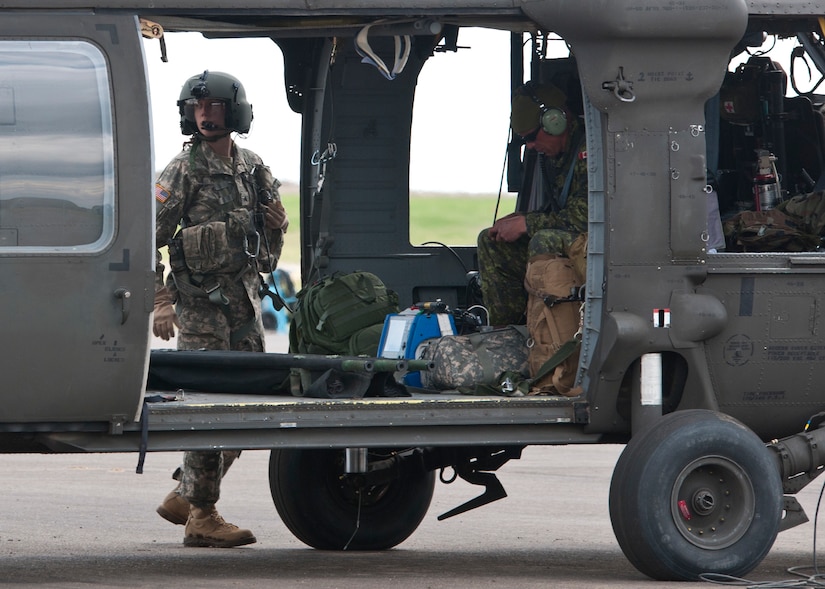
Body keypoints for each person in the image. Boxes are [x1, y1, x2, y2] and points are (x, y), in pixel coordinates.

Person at [152, 70, 289, 548]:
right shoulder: (181, 170)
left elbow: (267, 249)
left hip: (245, 306)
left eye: (214, 107)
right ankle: (202, 515)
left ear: (235, 113)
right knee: (210, 409)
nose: (205, 116)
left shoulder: (253, 167)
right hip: (200, 308)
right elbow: (148, 237)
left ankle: (185, 494)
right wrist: (161, 301)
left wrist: (275, 225)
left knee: (249, 412)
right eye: (197, 108)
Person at [477, 81, 588, 326]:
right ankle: (508, 331)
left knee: (543, 239)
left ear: (555, 121)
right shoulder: (559, 156)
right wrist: (521, 219)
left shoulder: (589, 150)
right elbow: (562, 212)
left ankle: (550, 332)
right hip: (578, 241)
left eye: (531, 137)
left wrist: (527, 224)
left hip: (600, 245)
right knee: (491, 241)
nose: (530, 146)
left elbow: (584, 218)